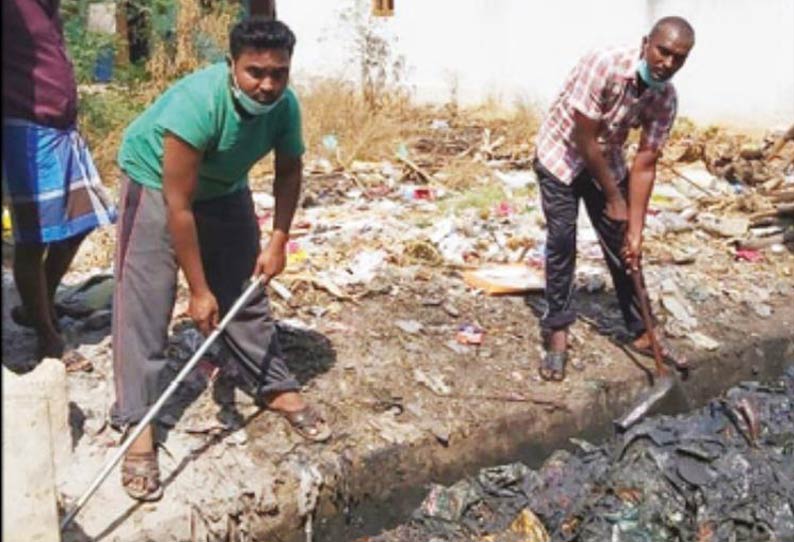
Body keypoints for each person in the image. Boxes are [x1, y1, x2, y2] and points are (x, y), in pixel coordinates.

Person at [111, 17, 331, 502]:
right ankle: (138, 420)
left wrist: (277, 239)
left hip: (225, 186)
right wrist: (198, 289)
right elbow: (178, 206)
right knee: (145, 300)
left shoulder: (284, 106)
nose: (267, 84)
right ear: (231, 64)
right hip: (156, 184)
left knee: (246, 289)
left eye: (279, 72)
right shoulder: (198, 104)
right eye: (255, 71)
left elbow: (289, 170)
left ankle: (271, 383)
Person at [533, 17, 695, 381]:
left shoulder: (665, 97)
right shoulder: (603, 63)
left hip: (608, 160)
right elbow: (583, 139)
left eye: (678, 59)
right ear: (646, 44)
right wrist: (613, 197)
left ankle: (642, 330)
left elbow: (645, 163)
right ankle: (557, 330)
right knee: (562, 239)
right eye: (663, 52)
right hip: (561, 154)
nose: (667, 64)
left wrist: (635, 229)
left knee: (622, 244)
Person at [2, 0, 117, 371]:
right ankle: (48, 339)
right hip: (26, 131)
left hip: (62, 131)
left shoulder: (48, 7)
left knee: (85, 220)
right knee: (33, 239)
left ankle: (40, 303)